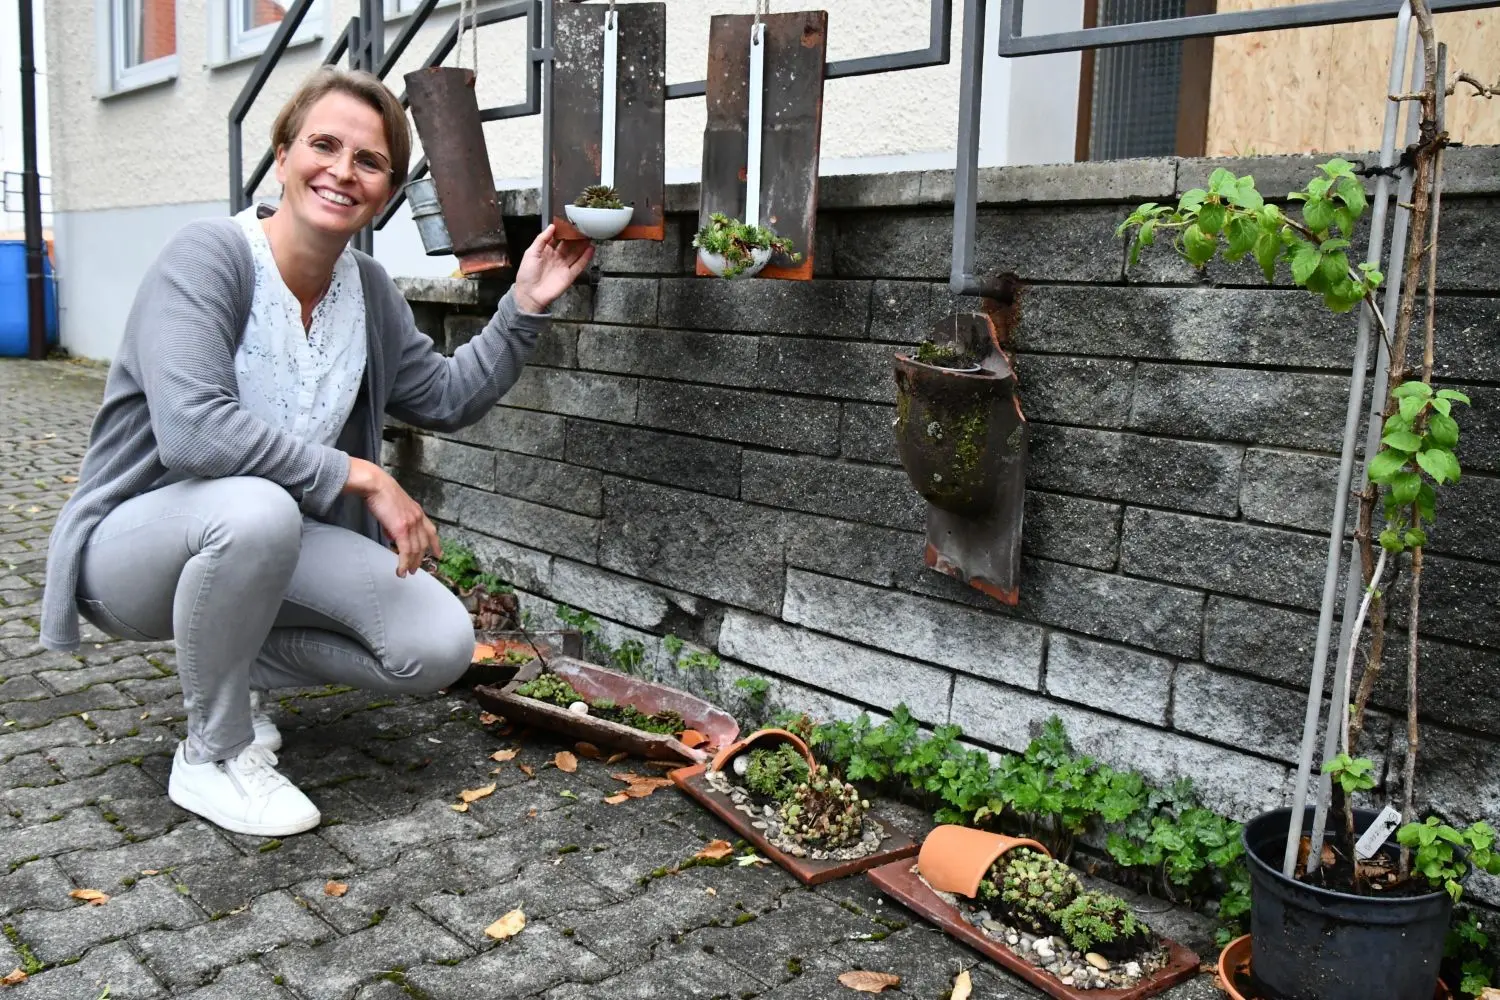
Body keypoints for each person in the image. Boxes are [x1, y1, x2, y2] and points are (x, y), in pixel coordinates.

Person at [38, 67, 592, 838]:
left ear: (390, 191)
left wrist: (524, 304)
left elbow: (445, 398)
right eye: (323, 145)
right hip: (132, 553)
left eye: (369, 161)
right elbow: (194, 431)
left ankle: (227, 667)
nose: (342, 171)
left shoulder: (366, 289)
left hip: (264, 544)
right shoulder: (208, 258)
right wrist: (359, 474)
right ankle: (212, 752)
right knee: (257, 507)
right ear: (283, 152)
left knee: (438, 643)